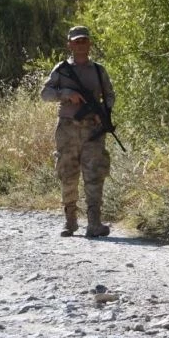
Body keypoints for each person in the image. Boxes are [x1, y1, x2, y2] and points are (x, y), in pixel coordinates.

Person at [41, 25, 116, 238]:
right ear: (69, 45)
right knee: (68, 173)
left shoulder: (99, 70)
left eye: (84, 41)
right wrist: (66, 94)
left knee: (95, 174)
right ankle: (70, 222)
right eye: (77, 41)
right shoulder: (62, 69)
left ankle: (94, 223)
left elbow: (110, 95)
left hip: (93, 129)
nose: (81, 45)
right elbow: (45, 94)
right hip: (68, 129)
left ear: (89, 43)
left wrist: (103, 111)